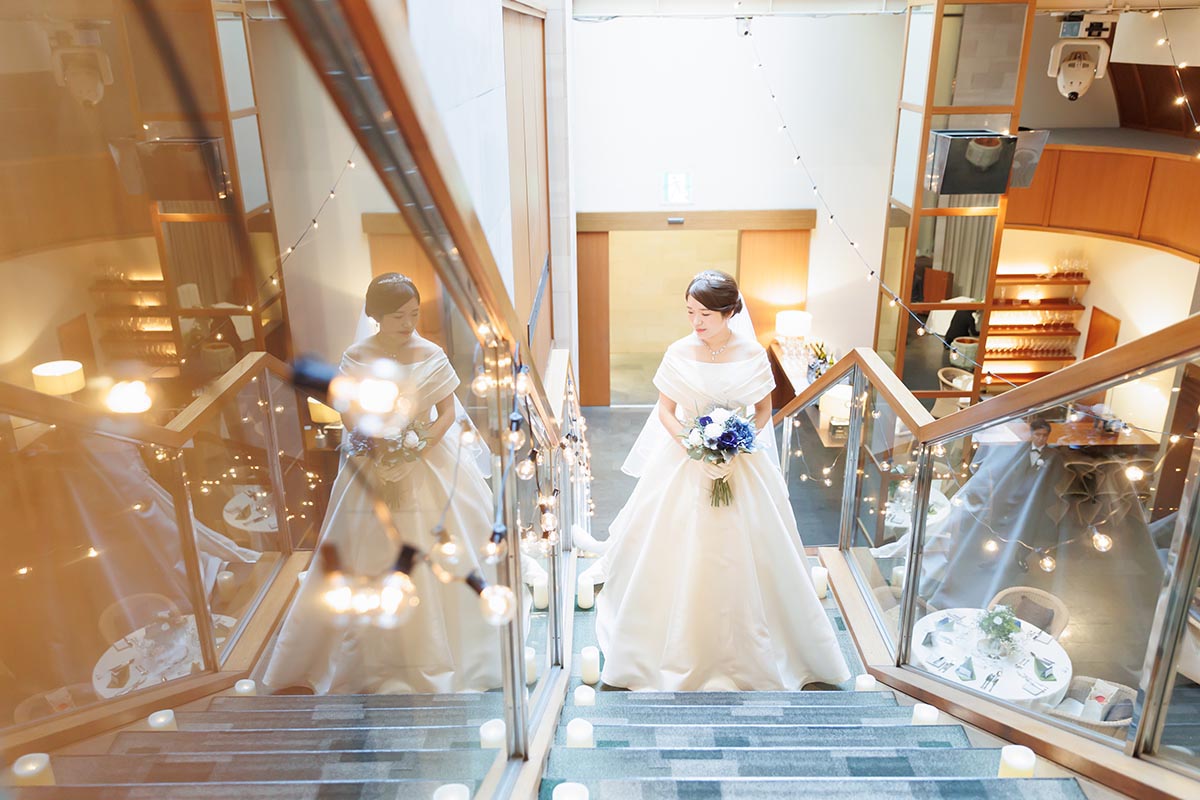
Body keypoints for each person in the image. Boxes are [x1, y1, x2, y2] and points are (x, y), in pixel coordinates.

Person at [591, 270, 851, 691]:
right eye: (690, 312)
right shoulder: (678, 351)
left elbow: (763, 411)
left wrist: (739, 444)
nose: (696, 322)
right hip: (684, 461)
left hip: (741, 463)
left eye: (706, 314)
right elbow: (666, 412)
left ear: (729, 312)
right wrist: (692, 445)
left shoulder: (752, 353)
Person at [261, 273, 502, 694]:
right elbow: (349, 413)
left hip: (428, 460)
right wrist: (377, 445)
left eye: (414, 314)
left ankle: (458, 652)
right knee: (363, 547)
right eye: (398, 317)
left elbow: (447, 413)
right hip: (370, 461)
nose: (408, 324)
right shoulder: (356, 356)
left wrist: (416, 449)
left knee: (440, 546)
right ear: (376, 315)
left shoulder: (432, 354)